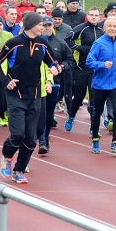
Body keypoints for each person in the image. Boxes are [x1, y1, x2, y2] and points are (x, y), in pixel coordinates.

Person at [0, 12, 62, 184]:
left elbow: (53, 62)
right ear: (31, 25)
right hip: (16, 95)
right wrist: (6, 80)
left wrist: (56, 69)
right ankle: (7, 156)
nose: (43, 27)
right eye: (40, 24)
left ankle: (19, 169)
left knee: (31, 138)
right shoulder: (13, 43)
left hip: (36, 96)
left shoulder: (42, 43)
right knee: (17, 135)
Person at [86, 16, 116, 154]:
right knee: (97, 112)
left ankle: (115, 141)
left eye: (114, 26)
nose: (112, 29)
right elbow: (89, 62)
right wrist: (103, 65)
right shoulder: (98, 43)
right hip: (100, 84)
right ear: (104, 28)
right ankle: (95, 139)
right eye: (109, 26)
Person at [64, 6, 103, 133]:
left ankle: (94, 127)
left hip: (96, 69)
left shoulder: (102, 30)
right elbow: (67, 40)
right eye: (91, 15)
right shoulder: (81, 28)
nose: (93, 17)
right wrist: (80, 48)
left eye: (96, 15)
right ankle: (71, 116)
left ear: (99, 17)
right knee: (79, 97)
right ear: (87, 15)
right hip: (81, 68)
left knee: (94, 98)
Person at [37, 16, 73, 153]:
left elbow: (70, 60)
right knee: (38, 112)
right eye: (44, 26)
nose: (47, 28)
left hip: (55, 83)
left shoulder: (60, 43)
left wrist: (61, 67)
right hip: (36, 83)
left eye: (49, 26)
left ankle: (44, 139)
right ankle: (39, 138)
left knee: (48, 112)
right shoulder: (34, 42)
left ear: (53, 27)